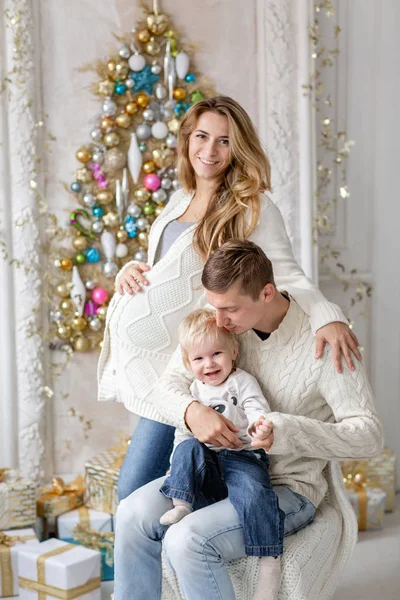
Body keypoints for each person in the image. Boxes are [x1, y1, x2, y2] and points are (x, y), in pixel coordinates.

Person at [97, 96, 361, 501]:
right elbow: (168, 269)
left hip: (195, 370)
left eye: (224, 141)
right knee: (154, 496)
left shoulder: (251, 205)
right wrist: (131, 269)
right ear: (187, 139)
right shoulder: (179, 200)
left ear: (238, 148)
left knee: (136, 491)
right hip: (158, 371)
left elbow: (289, 275)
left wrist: (328, 315)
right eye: (202, 136)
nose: (210, 150)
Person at [113, 240, 383, 600]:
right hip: (213, 473)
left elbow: (369, 435)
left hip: (285, 489)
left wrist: (287, 431)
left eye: (230, 310)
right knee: (131, 513)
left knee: (187, 539)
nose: (219, 320)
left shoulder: (324, 343)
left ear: (267, 293)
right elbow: (167, 385)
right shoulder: (221, 321)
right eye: (214, 307)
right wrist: (193, 412)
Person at [159, 308, 284, 600]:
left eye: (217, 354)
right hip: (208, 462)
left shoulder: (241, 382)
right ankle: (182, 504)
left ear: (233, 351)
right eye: (199, 358)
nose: (209, 364)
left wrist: (259, 425)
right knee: (186, 446)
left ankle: (269, 560)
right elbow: (184, 431)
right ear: (188, 363)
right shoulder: (193, 390)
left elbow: (256, 407)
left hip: (242, 454)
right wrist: (177, 468)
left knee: (256, 490)